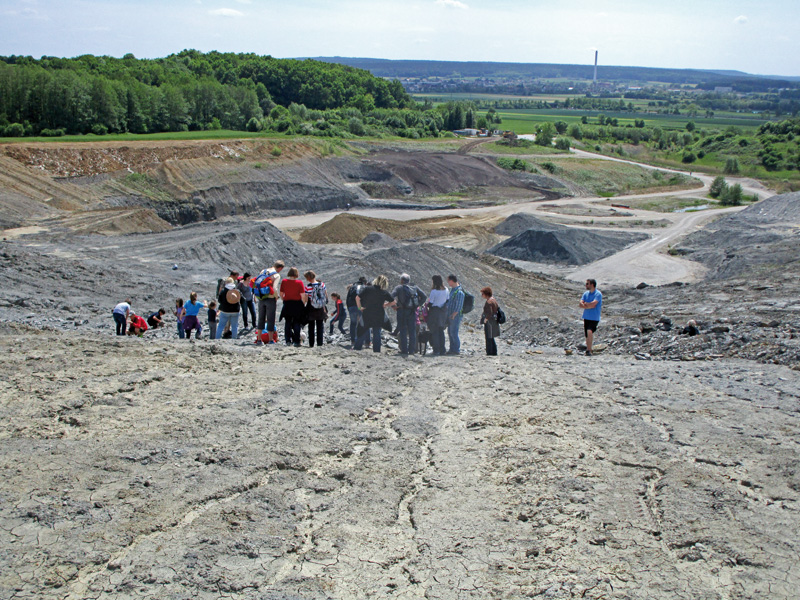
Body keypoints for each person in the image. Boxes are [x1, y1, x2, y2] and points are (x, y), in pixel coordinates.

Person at [355, 275, 395, 353]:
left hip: (367, 312)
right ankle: (376, 351)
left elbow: (357, 298)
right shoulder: (384, 292)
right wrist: (385, 305)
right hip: (379, 314)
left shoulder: (368, 289)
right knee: (377, 333)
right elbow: (393, 302)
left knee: (362, 330)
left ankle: (357, 348)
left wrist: (360, 308)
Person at [391, 273, 426, 356]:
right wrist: (417, 305)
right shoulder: (415, 287)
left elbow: (391, 296)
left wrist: (394, 306)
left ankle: (404, 350)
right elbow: (424, 296)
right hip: (412, 311)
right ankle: (412, 350)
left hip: (402, 311)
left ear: (402, 280)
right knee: (412, 331)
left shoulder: (399, 288)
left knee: (403, 331)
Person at [255, 260, 284, 345]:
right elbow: (274, 288)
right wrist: (276, 296)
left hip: (261, 297)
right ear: (280, 268)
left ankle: (259, 339)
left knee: (261, 318)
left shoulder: (263, 271)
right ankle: (271, 339)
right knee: (270, 318)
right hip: (270, 298)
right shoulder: (276, 275)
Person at [279, 267, 308, 347]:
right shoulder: (299, 283)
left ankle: (287, 340)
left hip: (287, 304)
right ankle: (296, 341)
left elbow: (281, 294)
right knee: (296, 323)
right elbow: (302, 295)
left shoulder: (284, 281)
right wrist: (303, 304)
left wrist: (284, 300)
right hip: (297, 305)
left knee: (287, 322)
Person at [304, 270, 328, 348]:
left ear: (308, 278)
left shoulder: (308, 287)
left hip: (311, 307)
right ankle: (320, 343)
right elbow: (325, 296)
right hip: (320, 307)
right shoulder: (322, 285)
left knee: (311, 326)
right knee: (320, 325)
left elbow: (306, 299)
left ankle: (311, 344)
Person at [579, 278, 602, 356]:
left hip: (594, 317)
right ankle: (588, 349)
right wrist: (588, 305)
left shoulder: (598, 294)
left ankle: (589, 349)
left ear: (592, 285)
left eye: (587, 284)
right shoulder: (586, 294)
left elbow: (594, 304)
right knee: (587, 334)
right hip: (586, 317)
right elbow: (580, 304)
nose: (586, 285)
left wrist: (586, 305)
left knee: (589, 331)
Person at [427, 275, 449, 356]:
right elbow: (447, 300)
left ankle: (436, 350)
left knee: (435, 332)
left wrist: (427, 305)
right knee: (441, 331)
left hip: (435, 312)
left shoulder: (434, 291)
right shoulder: (446, 289)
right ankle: (442, 349)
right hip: (443, 312)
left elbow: (431, 302)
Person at [446, 274, 465, 355]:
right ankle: (452, 348)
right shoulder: (453, 290)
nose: (448, 283)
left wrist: (454, 314)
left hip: (455, 316)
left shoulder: (459, 291)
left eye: (448, 281)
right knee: (450, 332)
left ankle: (456, 349)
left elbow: (459, 305)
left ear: (451, 280)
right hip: (450, 315)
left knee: (454, 332)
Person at [345, 276, 368, 345]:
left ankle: (353, 341)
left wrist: (349, 308)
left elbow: (347, 298)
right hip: (361, 307)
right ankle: (365, 341)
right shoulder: (364, 287)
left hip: (352, 307)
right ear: (365, 282)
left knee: (353, 323)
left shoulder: (352, 286)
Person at [479, 287, 500, 356]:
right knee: (491, 337)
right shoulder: (493, 300)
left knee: (488, 337)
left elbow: (490, 312)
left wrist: (486, 319)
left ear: (486, 294)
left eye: (483, 294)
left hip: (489, 321)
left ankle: (490, 352)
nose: (482, 295)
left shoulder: (489, 301)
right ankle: (493, 352)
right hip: (494, 321)